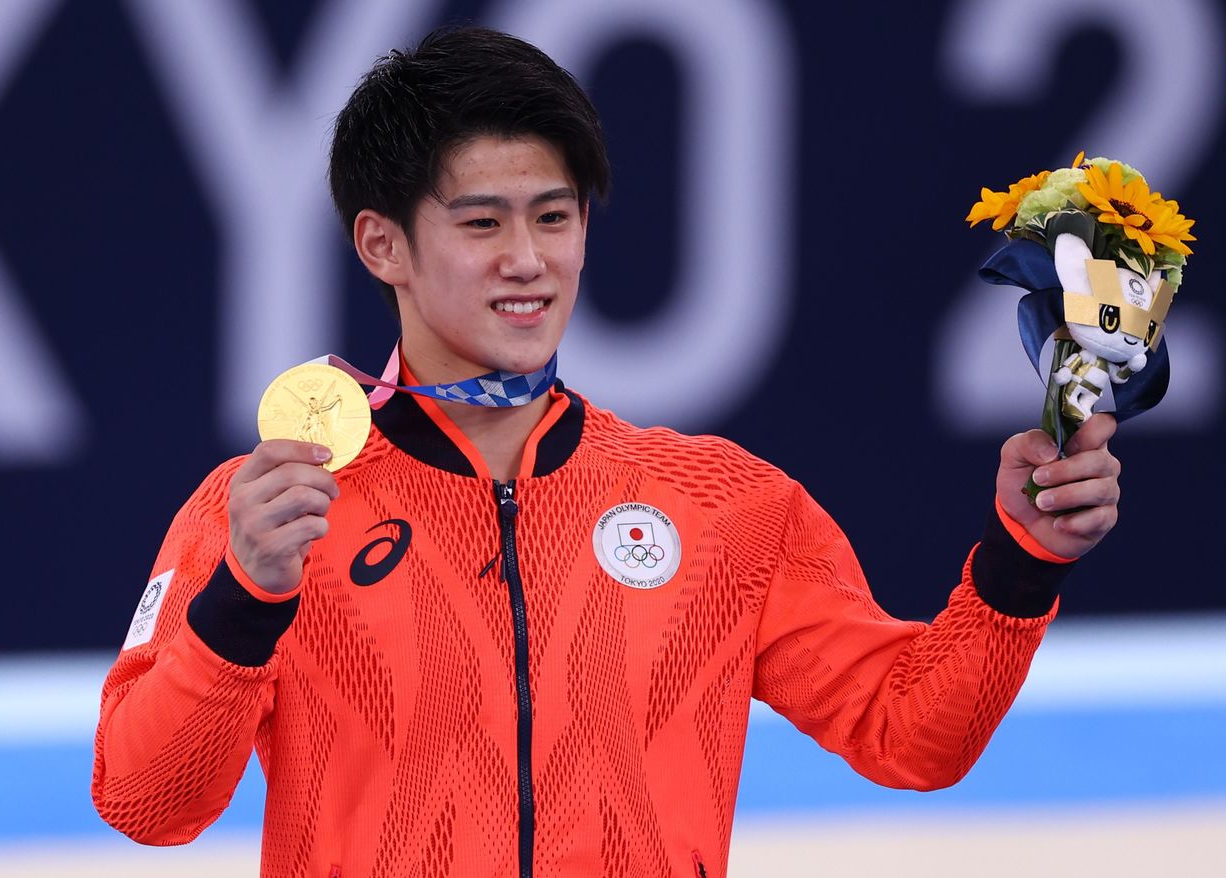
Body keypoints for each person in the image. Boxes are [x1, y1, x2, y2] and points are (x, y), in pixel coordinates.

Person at [92, 25, 1122, 878]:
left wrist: (1019, 563)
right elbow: (143, 803)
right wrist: (243, 602)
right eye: (481, 223)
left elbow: (910, 735)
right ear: (382, 244)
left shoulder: (725, 505)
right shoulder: (270, 510)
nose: (528, 260)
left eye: (553, 217)